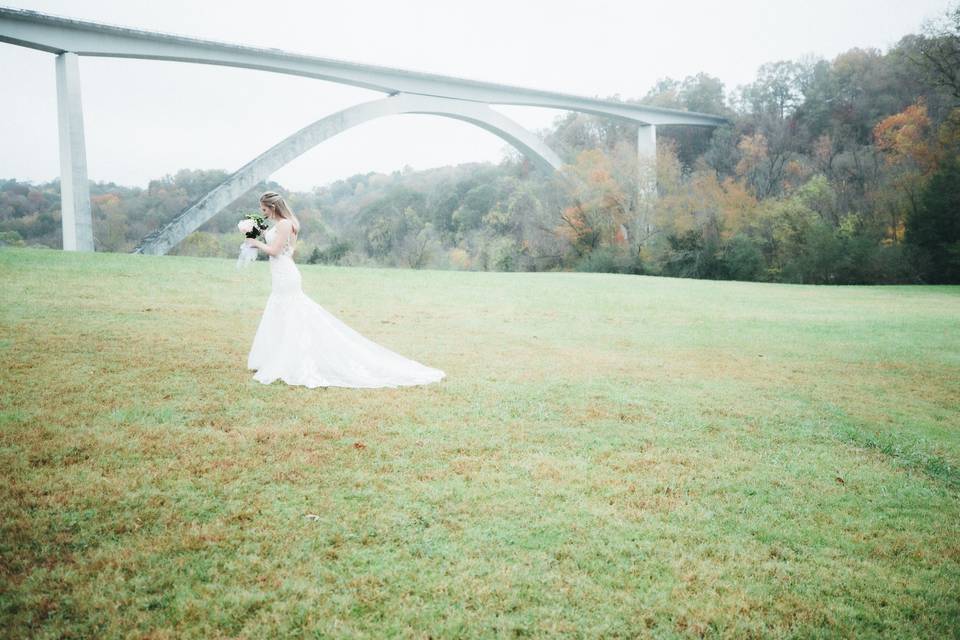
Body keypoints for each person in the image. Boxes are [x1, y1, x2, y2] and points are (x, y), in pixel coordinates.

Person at [244, 191, 446, 389]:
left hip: (285, 275)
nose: (263, 213)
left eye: (264, 209)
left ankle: (289, 360)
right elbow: (284, 248)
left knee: (290, 313)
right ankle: (279, 356)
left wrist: (255, 242)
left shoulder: (285, 224)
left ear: (273, 207)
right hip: (281, 274)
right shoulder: (285, 224)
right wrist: (255, 234)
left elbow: (276, 251)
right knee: (282, 313)